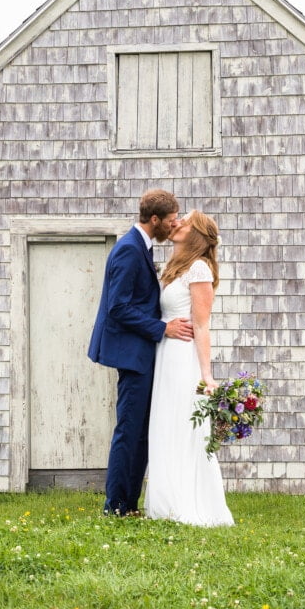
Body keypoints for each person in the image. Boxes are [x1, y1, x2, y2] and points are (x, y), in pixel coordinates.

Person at [88, 189, 194, 516]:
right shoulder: (129, 251)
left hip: (141, 354)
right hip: (131, 355)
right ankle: (115, 506)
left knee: (140, 432)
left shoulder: (142, 248)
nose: (173, 225)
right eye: (171, 220)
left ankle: (128, 503)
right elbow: (117, 307)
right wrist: (162, 329)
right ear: (154, 220)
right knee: (129, 431)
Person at [144, 210, 234, 527]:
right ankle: (166, 502)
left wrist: (206, 375)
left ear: (196, 233)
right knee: (166, 426)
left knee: (182, 427)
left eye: (185, 221)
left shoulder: (198, 268)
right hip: (166, 353)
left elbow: (202, 325)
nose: (177, 222)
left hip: (184, 359)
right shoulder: (175, 267)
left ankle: (186, 503)